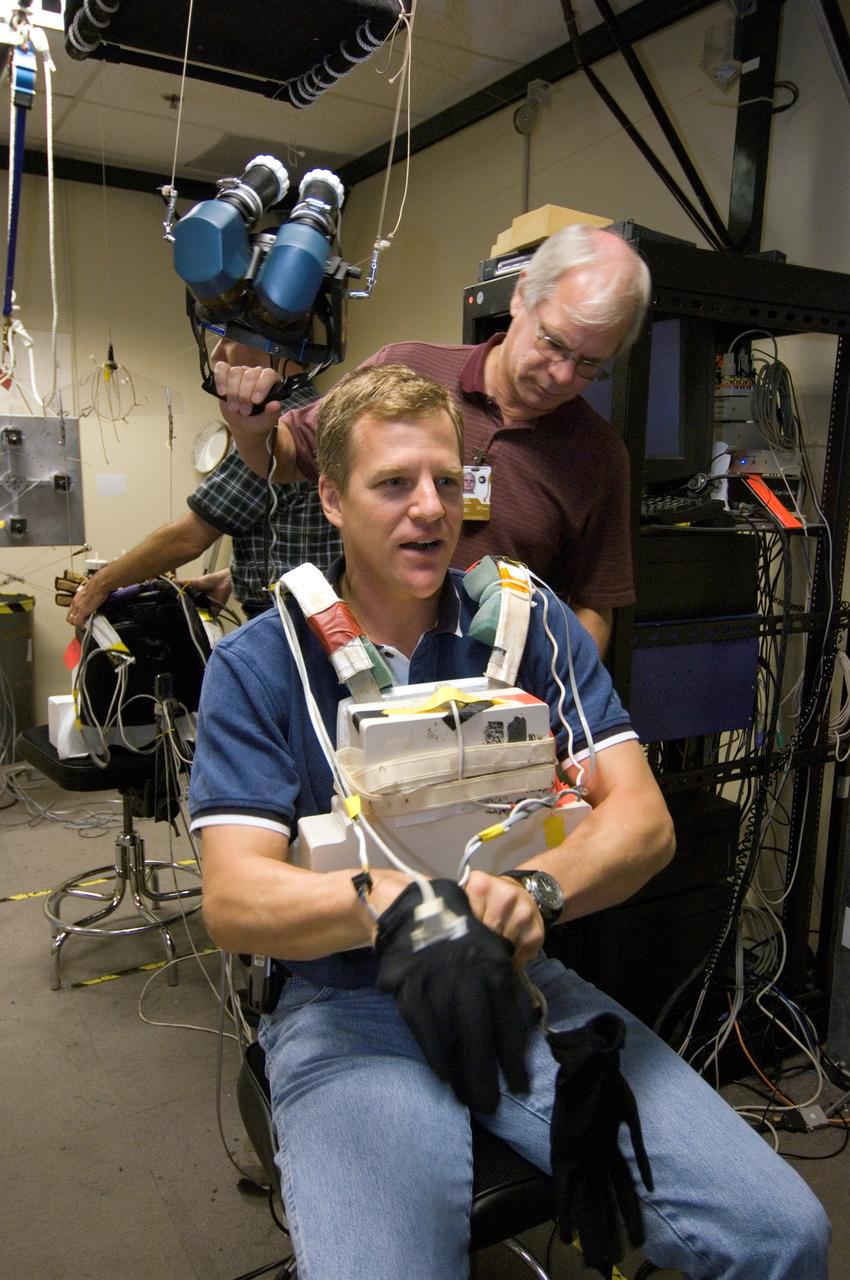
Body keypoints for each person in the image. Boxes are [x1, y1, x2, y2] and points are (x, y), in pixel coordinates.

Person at [188, 363, 829, 1280]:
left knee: (785, 1234)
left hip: (520, 986)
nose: (429, 510)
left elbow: (643, 822)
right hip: (351, 1009)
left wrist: (537, 889)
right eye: (393, 483)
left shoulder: (533, 633)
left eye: (448, 482)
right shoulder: (261, 667)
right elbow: (235, 897)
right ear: (330, 497)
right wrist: (395, 904)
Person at [214, 225, 651, 655]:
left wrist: (557, 694)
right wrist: (250, 429)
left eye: (590, 364)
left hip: (497, 692)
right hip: (366, 660)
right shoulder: (406, 370)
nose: (562, 375)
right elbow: (286, 455)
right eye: (553, 343)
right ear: (521, 295)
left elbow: (595, 606)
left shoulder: (598, 455)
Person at [66, 339, 341, 626]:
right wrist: (231, 577)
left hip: (294, 628)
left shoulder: (276, 426)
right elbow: (301, 535)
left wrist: (99, 585)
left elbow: (190, 537)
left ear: (272, 342)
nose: (215, 353)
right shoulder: (316, 414)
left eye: (229, 339)